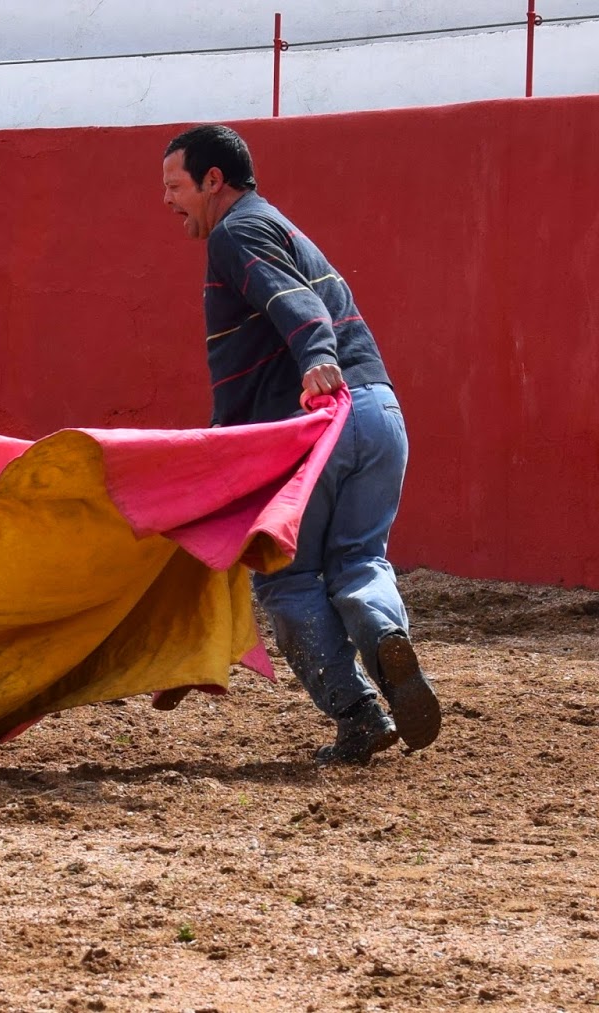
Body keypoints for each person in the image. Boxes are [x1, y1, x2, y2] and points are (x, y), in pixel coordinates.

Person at [159, 123, 441, 765]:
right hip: (379, 413)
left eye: (175, 186)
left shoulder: (236, 232)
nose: (167, 200)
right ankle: (384, 633)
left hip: (315, 424)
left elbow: (296, 303)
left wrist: (316, 356)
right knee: (361, 560)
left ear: (212, 181)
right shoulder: (276, 225)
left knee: (286, 578)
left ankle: (359, 714)